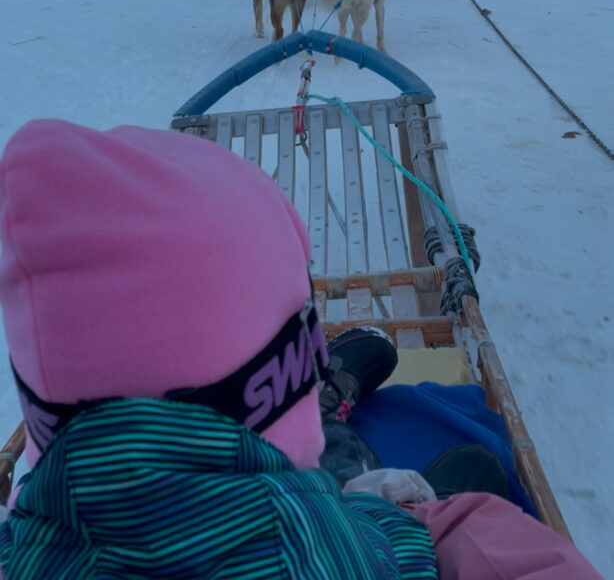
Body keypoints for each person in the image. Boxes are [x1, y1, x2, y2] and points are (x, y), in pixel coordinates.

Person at [0, 119, 604, 579]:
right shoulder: (304, 546)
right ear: (277, 381)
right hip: (368, 522)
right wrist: (431, 516)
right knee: (464, 496)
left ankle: (317, 412)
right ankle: (324, 418)